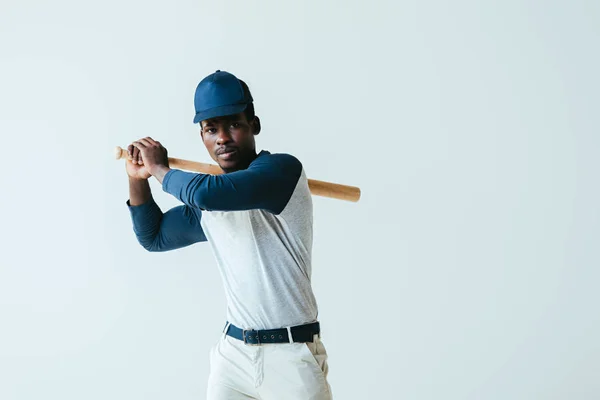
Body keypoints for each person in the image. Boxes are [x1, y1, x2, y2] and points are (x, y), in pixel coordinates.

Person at [125, 70, 332, 399]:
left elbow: (209, 193)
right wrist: (138, 178)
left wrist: (160, 169)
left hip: (292, 357)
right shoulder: (207, 205)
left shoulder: (282, 171)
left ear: (254, 124)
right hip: (233, 356)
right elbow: (155, 236)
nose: (222, 138)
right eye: (211, 129)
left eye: (233, 124)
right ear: (202, 137)